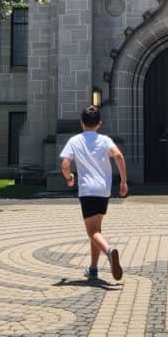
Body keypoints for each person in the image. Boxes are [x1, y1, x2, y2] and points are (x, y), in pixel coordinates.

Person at [60, 105, 129, 281]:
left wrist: (69, 178)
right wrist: (123, 182)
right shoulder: (105, 140)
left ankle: (109, 251)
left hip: (87, 191)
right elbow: (119, 156)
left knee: (92, 232)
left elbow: (65, 165)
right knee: (96, 230)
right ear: (99, 123)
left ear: (82, 123)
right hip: (104, 190)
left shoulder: (75, 141)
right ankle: (93, 268)